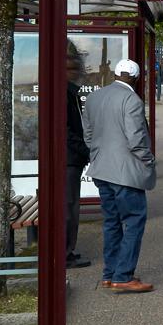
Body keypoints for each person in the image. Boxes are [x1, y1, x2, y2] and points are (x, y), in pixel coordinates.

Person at [84, 59, 157, 293]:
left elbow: (88, 134)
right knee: (134, 220)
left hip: (101, 170)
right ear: (135, 78)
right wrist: (147, 160)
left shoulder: (94, 97)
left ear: (116, 74)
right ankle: (124, 276)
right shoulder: (131, 99)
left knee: (111, 222)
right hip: (125, 172)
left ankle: (110, 273)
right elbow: (137, 138)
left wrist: (97, 156)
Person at [65, 46, 92, 269]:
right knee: (69, 206)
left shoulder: (70, 93)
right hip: (69, 160)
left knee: (71, 205)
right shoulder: (66, 94)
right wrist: (86, 150)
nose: (79, 73)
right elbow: (67, 132)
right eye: (74, 70)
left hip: (71, 158)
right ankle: (65, 253)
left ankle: (67, 250)